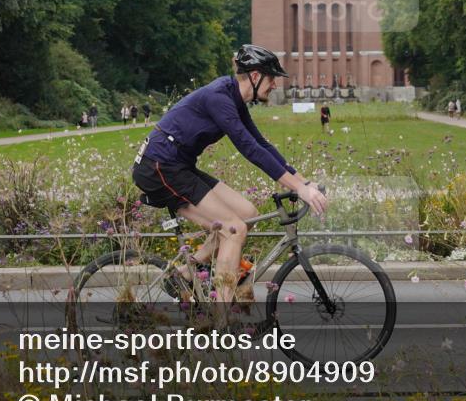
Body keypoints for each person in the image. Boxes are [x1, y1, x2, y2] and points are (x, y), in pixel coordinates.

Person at [132, 44, 327, 305]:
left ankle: (187, 273)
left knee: (247, 213)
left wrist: (303, 182)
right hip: (159, 167)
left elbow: (261, 144)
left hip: (178, 165)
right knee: (234, 230)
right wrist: (299, 188)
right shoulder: (219, 98)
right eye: (272, 79)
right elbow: (248, 148)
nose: (275, 85)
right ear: (255, 76)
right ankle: (220, 317)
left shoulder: (234, 98)